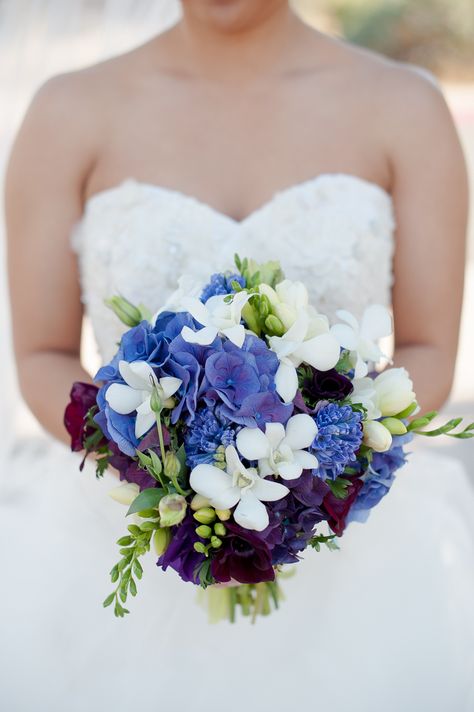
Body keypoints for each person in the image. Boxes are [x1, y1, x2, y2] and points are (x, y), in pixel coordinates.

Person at [3, 2, 474, 711]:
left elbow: (428, 351)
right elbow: (40, 355)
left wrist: (301, 485)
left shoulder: (405, 108)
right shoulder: (68, 112)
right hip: (116, 538)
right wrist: (168, 480)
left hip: (350, 558)